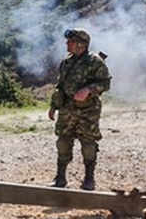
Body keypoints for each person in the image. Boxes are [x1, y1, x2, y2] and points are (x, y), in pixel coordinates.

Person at [48, 28, 111, 190]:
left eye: (70, 41)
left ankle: (89, 179)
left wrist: (88, 90)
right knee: (63, 142)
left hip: (87, 110)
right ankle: (60, 178)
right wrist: (53, 106)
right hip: (66, 109)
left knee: (88, 144)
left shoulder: (95, 61)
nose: (67, 44)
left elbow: (105, 83)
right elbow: (60, 86)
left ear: (81, 44)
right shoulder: (66, 63)